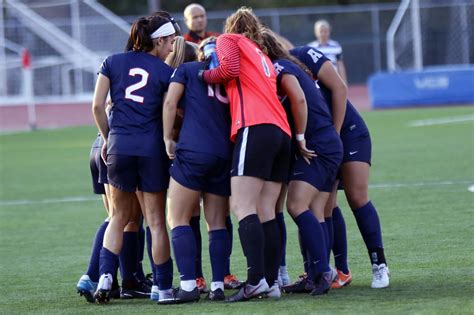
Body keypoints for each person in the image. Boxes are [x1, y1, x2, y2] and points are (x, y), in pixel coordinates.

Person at [201, 7, 291, 302]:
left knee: (241, 205)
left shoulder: (229, 38)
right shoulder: (262, 54)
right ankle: (271, 280)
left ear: (231, 26)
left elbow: (228, 70)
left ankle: (254, 281)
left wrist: (203, 74)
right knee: (267, 209)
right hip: (281, 131)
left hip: (255, 125)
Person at [91, 13, 176, 304]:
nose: (173, 48)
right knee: (155, 222)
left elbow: (97, 107)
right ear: (158, 40)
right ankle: (163, 289)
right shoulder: (166, 72)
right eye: (170, 42)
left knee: (118, 217)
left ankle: (105, 277)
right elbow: (171, 112)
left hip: (119, 147)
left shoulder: (112, 61)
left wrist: (106, 138)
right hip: (151, 150)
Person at [290, 45, 390, 289]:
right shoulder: (270, 70)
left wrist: (334, 132)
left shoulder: (302, 54)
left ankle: (379, 264)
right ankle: (335, 272)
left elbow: (340, 87)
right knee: (323, 206)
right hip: (322, 142)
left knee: (357, 196)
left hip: (348, 132)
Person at [260, 28, 341, 296]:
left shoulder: (279, 66)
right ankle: (317, 274)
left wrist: (301, 138)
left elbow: (300, 100)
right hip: (325, 142)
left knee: (296, 205)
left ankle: (323, 272)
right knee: (315, 211)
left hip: (318, 144)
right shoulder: (286, 64)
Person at [160, 37, 235, 304]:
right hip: (224, 152)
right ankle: (217, 284)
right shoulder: (229, 79)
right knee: (216, 222)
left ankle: (189, 285)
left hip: (193, 151)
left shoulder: (188, 70)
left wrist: (168, 138)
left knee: (177, 219)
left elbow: (170, 104)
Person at [307, 20, 347, 84]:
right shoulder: (311, 48)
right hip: (318, 81)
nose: (323, 34)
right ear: (316, 32)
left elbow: (340, 64)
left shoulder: (336, 46)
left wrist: (344, 81)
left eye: (325, 31)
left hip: (334, 79)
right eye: (321, 31)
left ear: (329, 31)